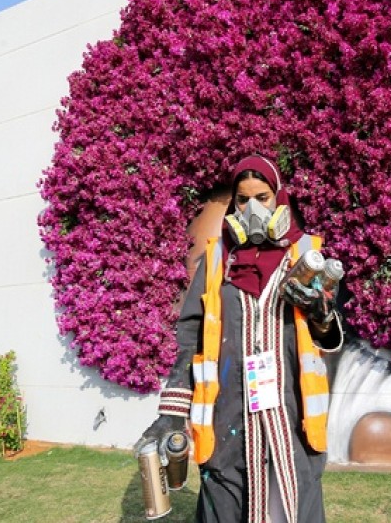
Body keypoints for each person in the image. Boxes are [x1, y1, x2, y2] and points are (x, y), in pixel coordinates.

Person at [135, 155, 344, 523]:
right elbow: (190, 335)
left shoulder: (306, 254)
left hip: (290, 425)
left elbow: (325, 337)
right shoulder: (217, 259)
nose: (252, 209)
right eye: (242, 199)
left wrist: (321, 316)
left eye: (262, 197)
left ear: (278, 198)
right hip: (229, 423)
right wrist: (172, 412)